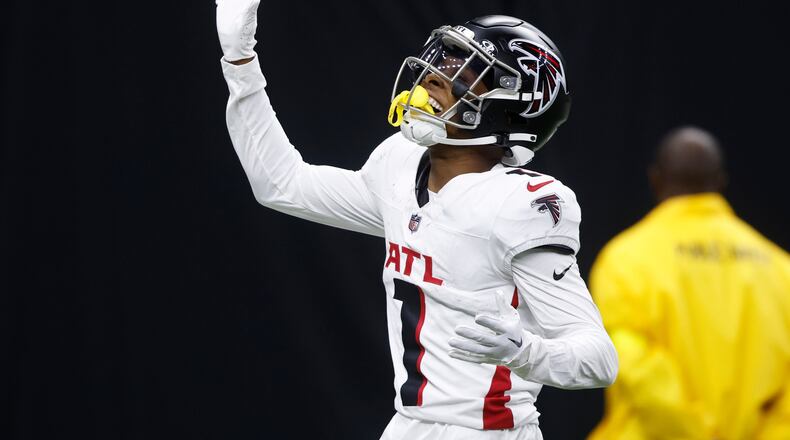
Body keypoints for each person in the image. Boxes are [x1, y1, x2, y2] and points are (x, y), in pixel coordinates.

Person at [215, 2, 618, 438]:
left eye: (464, 76)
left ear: (511, 109)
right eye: (439, 63)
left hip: (489, 431)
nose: (432, 78)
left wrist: (524, 351)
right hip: (409, 425)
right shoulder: (401, 164)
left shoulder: (519, 205)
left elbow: (598, 359)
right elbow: (283, 185)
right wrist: (240, 62)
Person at [588, 127, 790, 440]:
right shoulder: (780, 267)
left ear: (655, 179)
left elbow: (636, 366)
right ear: (720, 182)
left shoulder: (625, 260)